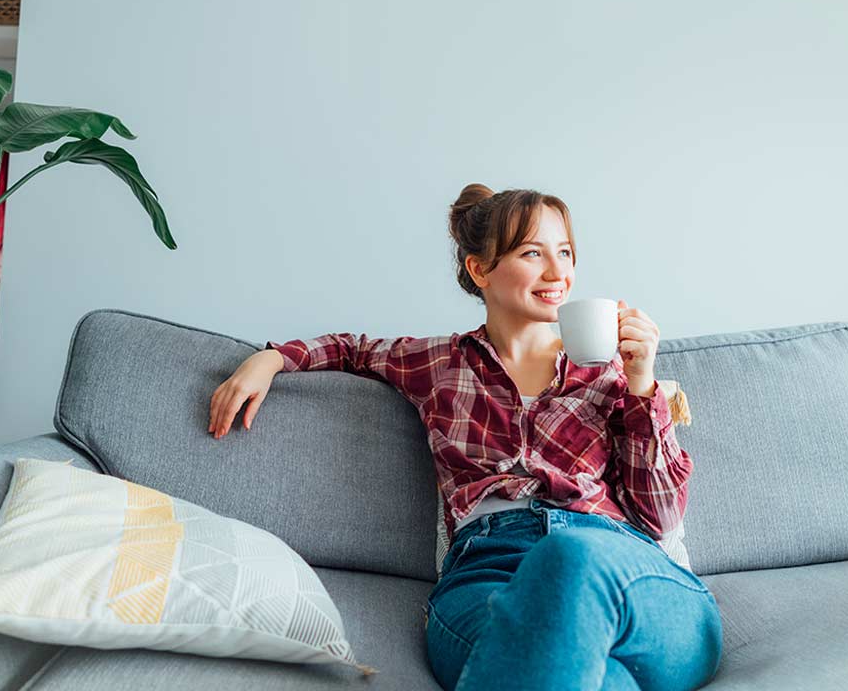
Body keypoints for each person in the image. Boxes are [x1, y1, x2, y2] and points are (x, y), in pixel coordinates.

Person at [207, 185, 723, 690]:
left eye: (565, 251)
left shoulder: (612, 374)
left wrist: (642, 384)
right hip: (488, 573)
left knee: (570, 559)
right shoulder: (440, 365)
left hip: (614, 565)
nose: (558, 271)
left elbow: (659, 516)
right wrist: (271, 358)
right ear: (480, 270)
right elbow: (353, 350)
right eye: (532, 253)